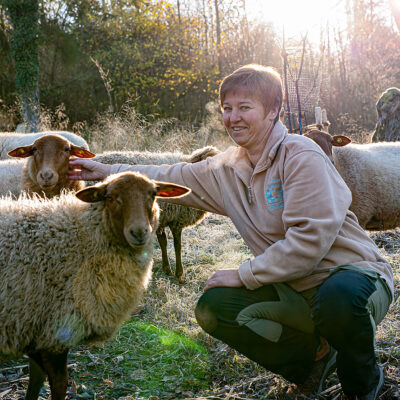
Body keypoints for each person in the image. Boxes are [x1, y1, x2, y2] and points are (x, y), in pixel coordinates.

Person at [69, 64, 393, 399]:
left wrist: (244, 273)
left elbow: (307, 244)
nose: (233, 117)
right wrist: (107, 171)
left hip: (355, 279)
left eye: (244, 107)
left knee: (336, 301)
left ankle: (363, 383)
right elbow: (170, 173)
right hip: (296, 293)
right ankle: (314, 362)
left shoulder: (300, 155)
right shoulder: (228, 168)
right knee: (214, 307)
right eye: (227, 109)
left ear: (273, 111)